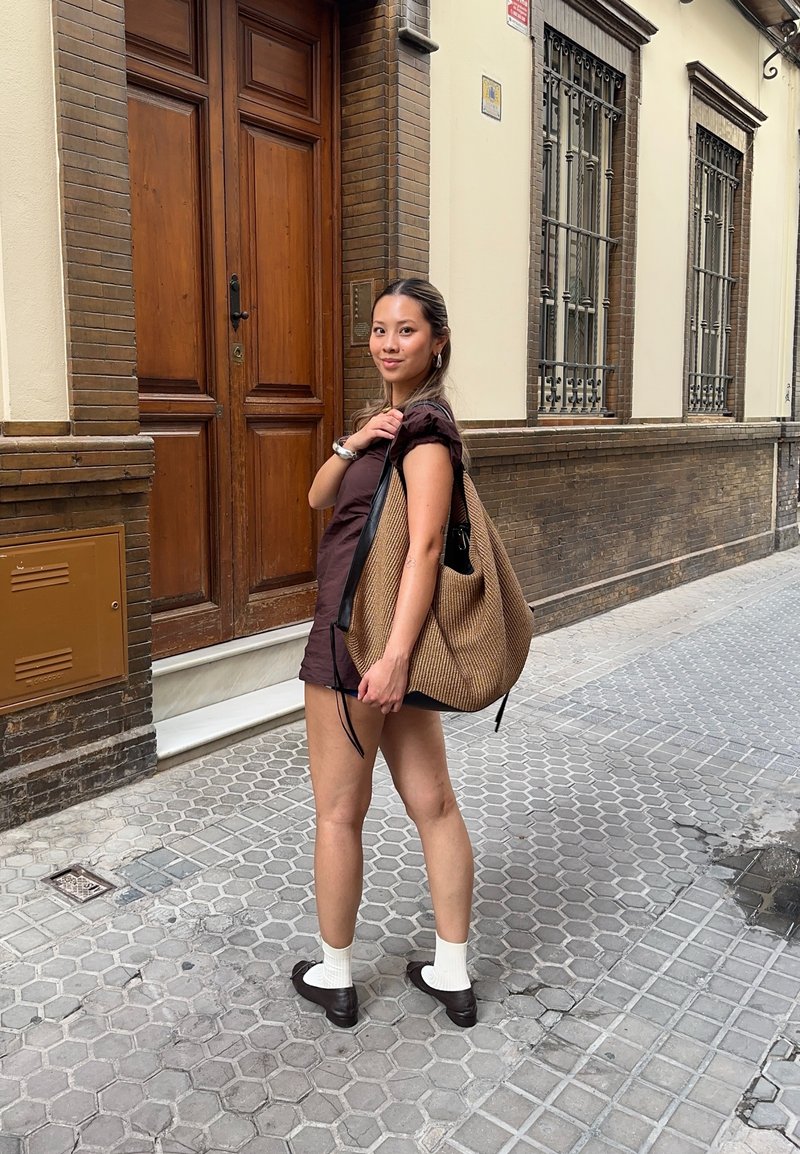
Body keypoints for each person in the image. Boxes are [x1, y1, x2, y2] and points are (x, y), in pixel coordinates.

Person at [294, 278, 477, 1029]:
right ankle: (451, 975)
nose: (388, 342)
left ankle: (336, 975)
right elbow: (316, 499)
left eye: (405, 330)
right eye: (378, 329)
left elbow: (427, 548)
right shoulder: (395, 427)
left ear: (436, 341)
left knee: (341, 814)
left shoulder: (429, 433)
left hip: (360, 644)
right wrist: (354, 440)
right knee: (431, 803)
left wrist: (397, 655)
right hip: (377, 644)